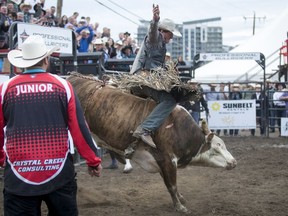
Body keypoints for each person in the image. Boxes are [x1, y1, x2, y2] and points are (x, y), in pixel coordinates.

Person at [0, 35, 102, 215]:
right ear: (46, 60)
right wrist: (93, 160)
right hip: (59, 172)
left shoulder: (6, 89)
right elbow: (79, 127)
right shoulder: (63, 86)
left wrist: (2, 158)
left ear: (22, 62)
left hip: (19, 174)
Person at [128, 4, 182, 151]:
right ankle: (145, 129)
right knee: (169, 100)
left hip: (145, 78)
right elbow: (152, 32)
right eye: (171, 35)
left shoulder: (160, 44)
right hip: (142, 78)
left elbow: (156, 64)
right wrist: (155, 20)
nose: (171, 38)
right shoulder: (156, 38)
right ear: (165, 32)